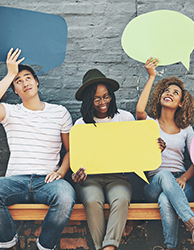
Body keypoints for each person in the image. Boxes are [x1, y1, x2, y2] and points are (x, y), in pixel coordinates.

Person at [0, 48, 75, 250]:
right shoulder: (11, 112)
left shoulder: (60, 112)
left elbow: (71, 150)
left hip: (47, 181)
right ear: (14, 89)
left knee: (66, 196)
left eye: (28, 78)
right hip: (15, 180)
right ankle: (9, 244)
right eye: (19, 81)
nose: (25, 83)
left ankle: (45, 246)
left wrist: (60, 172)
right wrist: (10, 74)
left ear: (37, 81)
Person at [136, 58, 194, 250]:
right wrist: (151, 76)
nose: (169, 94)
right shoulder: (151, 123)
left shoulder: (186, 129)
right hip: (154, 182)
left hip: (180, 182)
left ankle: (170, 247)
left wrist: (185, 178)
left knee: (166, 199)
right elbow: (139, 110)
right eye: (166, 90)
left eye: (175, 93)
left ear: (181, 103)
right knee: (163, 176)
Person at [71, 69, 135, 250]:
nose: (102, 102)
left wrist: (155, 146)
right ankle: (101, 247)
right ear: (89, 100)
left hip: (118, 177)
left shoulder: (125, 118)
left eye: (106, 96)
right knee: (92, 200)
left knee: (121, 198)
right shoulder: (81, 125)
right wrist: (77, 175)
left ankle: (109, 247)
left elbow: (137, 147)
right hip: (90, 179)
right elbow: (77, 159)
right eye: (97, 98)